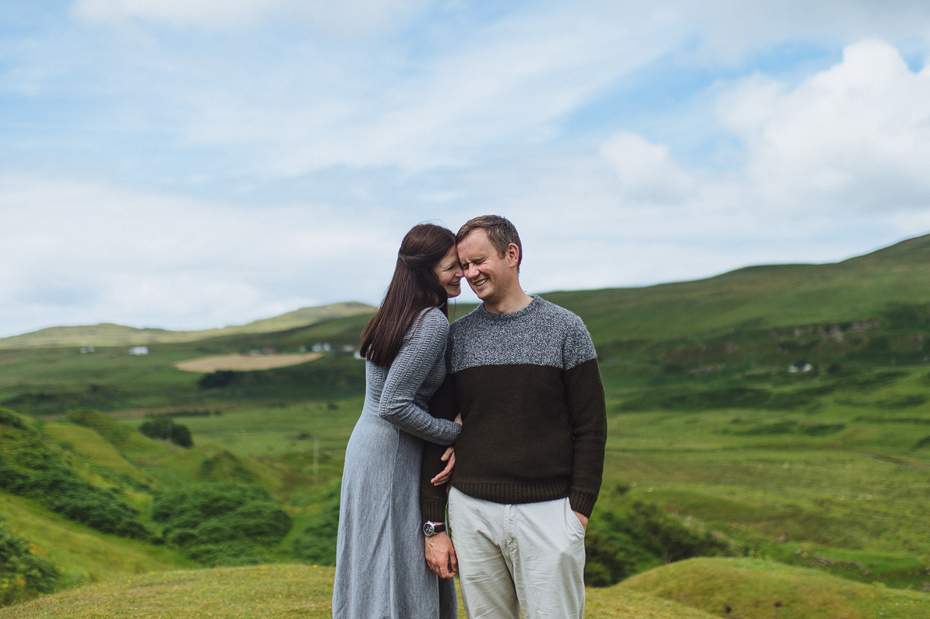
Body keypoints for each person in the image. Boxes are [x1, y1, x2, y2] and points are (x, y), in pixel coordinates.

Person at [421, 215, 607, 619]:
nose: (470, 273)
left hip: (550, 513)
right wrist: (435, 524)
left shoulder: (566, 328)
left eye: (478, 261)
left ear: (511, 254)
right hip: (472, 513)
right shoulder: (457, 337)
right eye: (464, 265)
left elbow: (591, 428)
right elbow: (438, 435)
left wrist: (578, 513)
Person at [333, 223, 464, 619]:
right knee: (397, 557)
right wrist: (455, 434)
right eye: (451, 267)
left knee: (371, 557)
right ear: (426, 272)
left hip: (366, 447)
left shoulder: (392, 313)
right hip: (392, 453)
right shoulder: (431, 323)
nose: (461, 273)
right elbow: (394, 405)